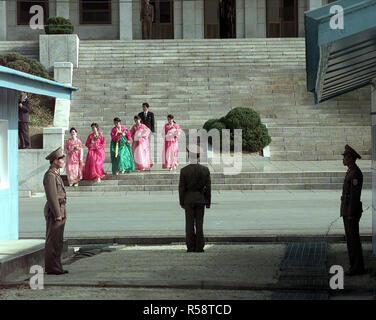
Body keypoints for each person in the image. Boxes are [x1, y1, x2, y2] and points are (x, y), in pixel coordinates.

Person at [179, 143, 211, 253]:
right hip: (200, 199)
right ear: (198, 156)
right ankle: (199, 246)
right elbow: (208, 188)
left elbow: (181, 188)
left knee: (189, 224)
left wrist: (181, 201)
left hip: (188, 199)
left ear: (189, 156)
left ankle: (190, 246)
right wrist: (208, 201)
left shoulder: (184, 170)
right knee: (199, 224)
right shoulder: (205, 170)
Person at [341, 144, 366, 276]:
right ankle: (354, 266)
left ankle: (357, 267)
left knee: (353, 241)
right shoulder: (351, 171)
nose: (343, 159)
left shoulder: (355, 173)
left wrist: (350, 213)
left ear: (351, 158)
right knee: (351, 240)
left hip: (351, 212)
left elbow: (355, 197)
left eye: (345, 157)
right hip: (347, 211)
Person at [43, 147, 68, 275]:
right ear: (54, 161)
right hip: (55, 211)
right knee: (53, 240)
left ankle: (56, 266)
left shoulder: (55, 174)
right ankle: (52, 268)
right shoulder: (50, 176)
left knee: (58, 240)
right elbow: (52, 196)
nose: (63, 161)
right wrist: (58, 214)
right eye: (60, 159)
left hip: (60, 209)